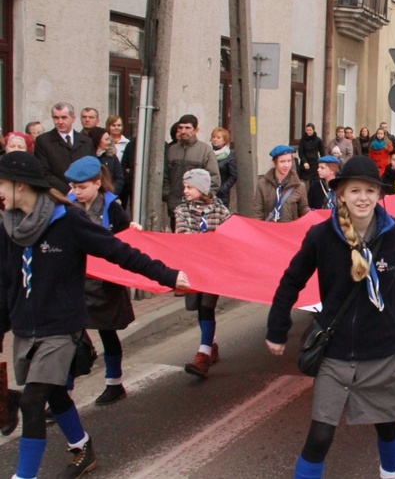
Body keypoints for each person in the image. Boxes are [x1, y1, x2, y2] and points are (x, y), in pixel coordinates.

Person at [0, 151, 189, 479]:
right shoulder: (7, 227)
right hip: (25, 327)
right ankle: (82, 447)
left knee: (33, 402)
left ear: (20, 185)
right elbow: (5, 283)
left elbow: (119, 252)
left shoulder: (68, 220)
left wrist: (168, 275)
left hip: (60, 328)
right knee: (55, 393)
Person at [265, 155, 395, 479]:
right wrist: (277, 327)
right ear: (341, 194)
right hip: (336, 350)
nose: (363, 198)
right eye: (355, 190)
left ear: (379, 195)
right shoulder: (321, 236)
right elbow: (292, 280)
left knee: (386, 426)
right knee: (319, 435)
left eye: (370, 191)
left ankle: (391, 474)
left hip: (383, 349)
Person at [64, 157, 143, 405]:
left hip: (104, 284)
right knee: (67, 339)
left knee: (107, 333)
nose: (77, 191)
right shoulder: (66, 207)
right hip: (76, 282)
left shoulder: (112, 208)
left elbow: (123, 241)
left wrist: (134, 231)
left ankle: (114, 383)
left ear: (98, 183)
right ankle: (63, 394)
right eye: (74, 187)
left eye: (82, 187)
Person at [175, 169, 231, 378]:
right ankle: (211, 344)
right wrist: (207, 239)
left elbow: (231, 232)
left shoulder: (220, 210)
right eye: (185, 187)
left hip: (213, 268)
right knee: (198, 307)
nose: (185, 191)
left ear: (202, 188)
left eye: (190, 187)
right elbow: (182, 234)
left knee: (208, 305)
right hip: (193, 267)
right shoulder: (182, 210)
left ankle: (203, 355)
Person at [162, 114, 220, 231]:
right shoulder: (171, 150)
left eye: (187, 128)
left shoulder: (205, 151)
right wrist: (168, 194)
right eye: (180, 127)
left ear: (196, 130)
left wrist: (204, 199)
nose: (183, 131)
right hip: (176, 206)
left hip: (199, 209)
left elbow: (214, 179)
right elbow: (165, 176)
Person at [34, 102, 95, 194]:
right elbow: (44, 172)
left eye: (64, 117)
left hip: (84, 195)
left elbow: (92, 169)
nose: (60, 122)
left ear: (73, 118)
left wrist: (82, 189)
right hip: (57, 195)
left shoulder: (86, 141)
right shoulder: (43, 141)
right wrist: (69, 191)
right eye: (56, 118)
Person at [250, 145, 309, 222]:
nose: (286, 165)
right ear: (274, 162)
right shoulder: (262, 184)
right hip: (269, 230)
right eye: (282, 161)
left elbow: (303, 210)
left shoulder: (299, 186)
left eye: (289, 161)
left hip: (289, 231)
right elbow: (257, 212)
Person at [88, 127, 126, 197]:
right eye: (106, 139)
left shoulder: (112, 158)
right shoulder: (88, 158)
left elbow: (119, 178)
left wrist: (110, 193)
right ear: (98, 140)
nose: (109, 142)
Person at [210, 127, 238, 208]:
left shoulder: (229, 155)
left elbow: (233, 176)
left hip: (222, 194)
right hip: (207, 192)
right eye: (213, 137)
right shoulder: (207, 153)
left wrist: (223, 189)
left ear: (225, 140)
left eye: (218, 138)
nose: (215, 139)